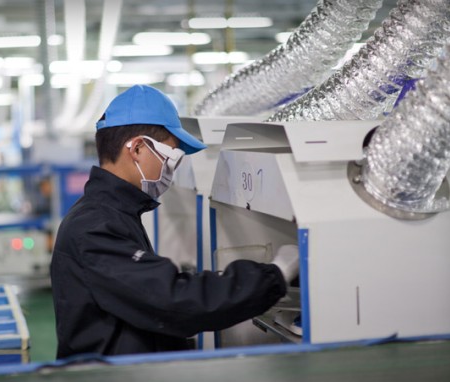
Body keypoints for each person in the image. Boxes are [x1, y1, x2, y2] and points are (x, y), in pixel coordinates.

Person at [50, 85, 299, 359]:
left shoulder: (113, 215)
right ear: (137, 148)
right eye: (172, 157)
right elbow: (171, 299)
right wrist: (273, 275)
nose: (172, 170)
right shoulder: (94, 226)